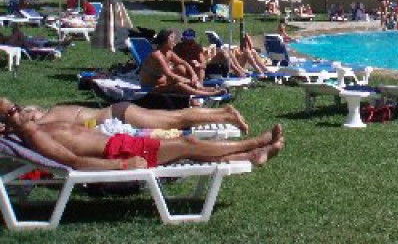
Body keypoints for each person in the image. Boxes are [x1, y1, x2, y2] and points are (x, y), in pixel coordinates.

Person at [1, 103, 283, 170]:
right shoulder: (37, 136)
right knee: (188, 143)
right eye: (12, 112)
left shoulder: (40, 127)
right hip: (119, 152)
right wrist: (119, 165)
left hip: (120, 142)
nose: (20, 110)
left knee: (189, 149)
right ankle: (255, 143)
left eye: (16, 107)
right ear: (5, 127)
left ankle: (251, 155)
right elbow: (73, 161)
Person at [0, 97, 249, 134]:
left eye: (19, 110)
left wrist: (8, 127)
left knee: (177, 120)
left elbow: (26, 128)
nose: (21, 114)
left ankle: (225, 116)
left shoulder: (45, 120)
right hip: (119, 112)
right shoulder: (53, 112)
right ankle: (222, 112)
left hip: (120, 116)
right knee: (176, 116)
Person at [139, 29, 225, 96]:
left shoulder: (169, 52)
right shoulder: (157, 55)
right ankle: (208, 94)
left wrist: (193, 75)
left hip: (163, 81)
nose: (175, 40)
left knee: (182, 69)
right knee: (180, 85)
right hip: (151, 87)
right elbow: (170, 75)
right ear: (165, 41)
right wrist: (189, 81)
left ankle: (203, 88)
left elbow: (184, 62)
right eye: (172, 38)